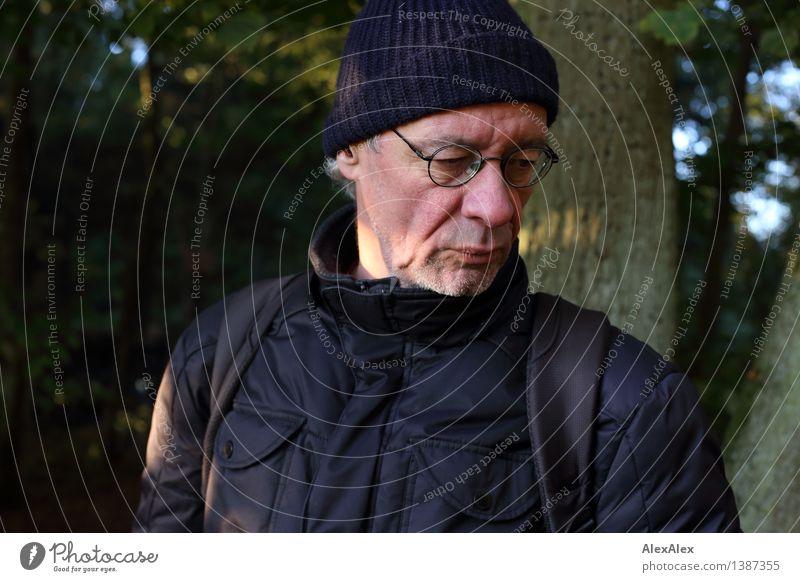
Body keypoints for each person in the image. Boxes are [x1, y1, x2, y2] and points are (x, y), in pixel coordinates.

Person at [133, 0, 740, 532]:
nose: (499, 207)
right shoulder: (223, 349)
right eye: (452, 160)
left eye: (523, 163)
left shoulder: (623, 398)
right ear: (351, 150)